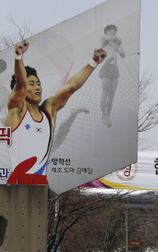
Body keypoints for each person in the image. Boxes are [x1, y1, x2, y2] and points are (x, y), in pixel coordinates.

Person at [6, 40, 106, 184]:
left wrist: (93, 62)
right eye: (32, 84)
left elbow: (71, 86)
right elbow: (21, 85)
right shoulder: (16, 111)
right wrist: (18, 56)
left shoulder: (49, 110)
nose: (38, 88)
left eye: (39, 84)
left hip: (40, 181)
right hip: (18, 181)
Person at [99, 24, 125, 128]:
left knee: (111, 94)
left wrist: (118, 49)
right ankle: (103, 114)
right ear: (107, 31)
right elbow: (115, 38)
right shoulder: (104, 39)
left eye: (115, 31)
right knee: (105, 91)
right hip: (106, 67)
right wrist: (118, 41)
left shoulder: (115, 44)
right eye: (112, 31)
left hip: (114, 69)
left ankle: (108, 116)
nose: (114, 33)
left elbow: (123, 55)